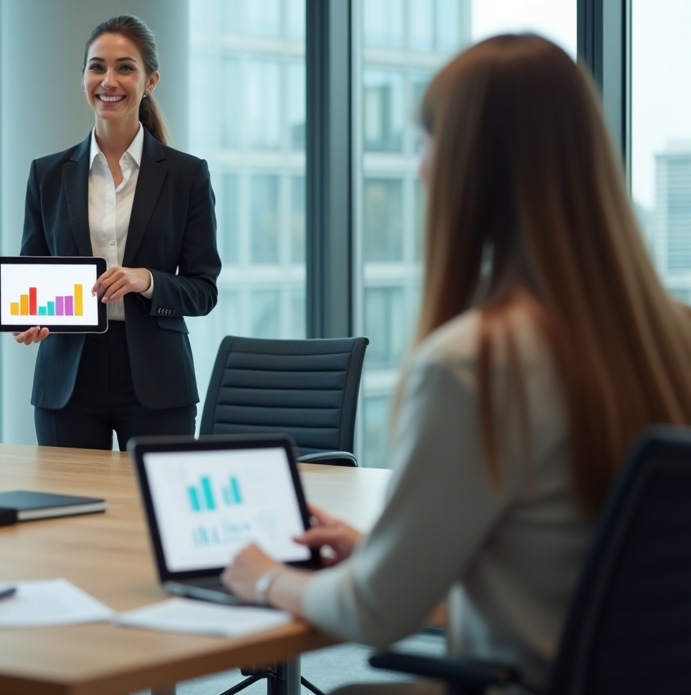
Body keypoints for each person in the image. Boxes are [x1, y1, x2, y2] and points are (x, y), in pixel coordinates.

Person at [221, 35, 691, 694]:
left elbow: (376, 613)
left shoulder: (475, 364)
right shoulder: (671, 338)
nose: (418, 169)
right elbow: (582, 559)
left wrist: (264, 578)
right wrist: (385, 554)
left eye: (426, 144)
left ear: (475, 168)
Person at [0, 14, 221, 449]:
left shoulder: (187, 175)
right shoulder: (47, 174)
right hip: (68, 380)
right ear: (83, 78)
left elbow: (204, 290)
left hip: (157, 379)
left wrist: (145, 280)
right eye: (97, 66)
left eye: (125, 67)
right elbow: (36, 270)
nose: (108, 80)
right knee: (66, 513)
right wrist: (30, 316)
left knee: (151, 515)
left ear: (150, 81)